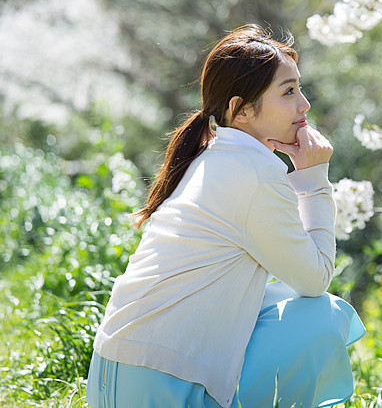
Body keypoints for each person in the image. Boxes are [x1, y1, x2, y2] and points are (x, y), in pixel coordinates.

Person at [86, 24, 365, 408]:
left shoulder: (211, 153)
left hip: (113, 376)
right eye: (288, 91)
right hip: (159, 387)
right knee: (320, 313)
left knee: (276, 296)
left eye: (300, 88)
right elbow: (315, 279)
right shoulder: (255, 171)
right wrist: (314, 181)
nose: (304, 104)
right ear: (241, 109)